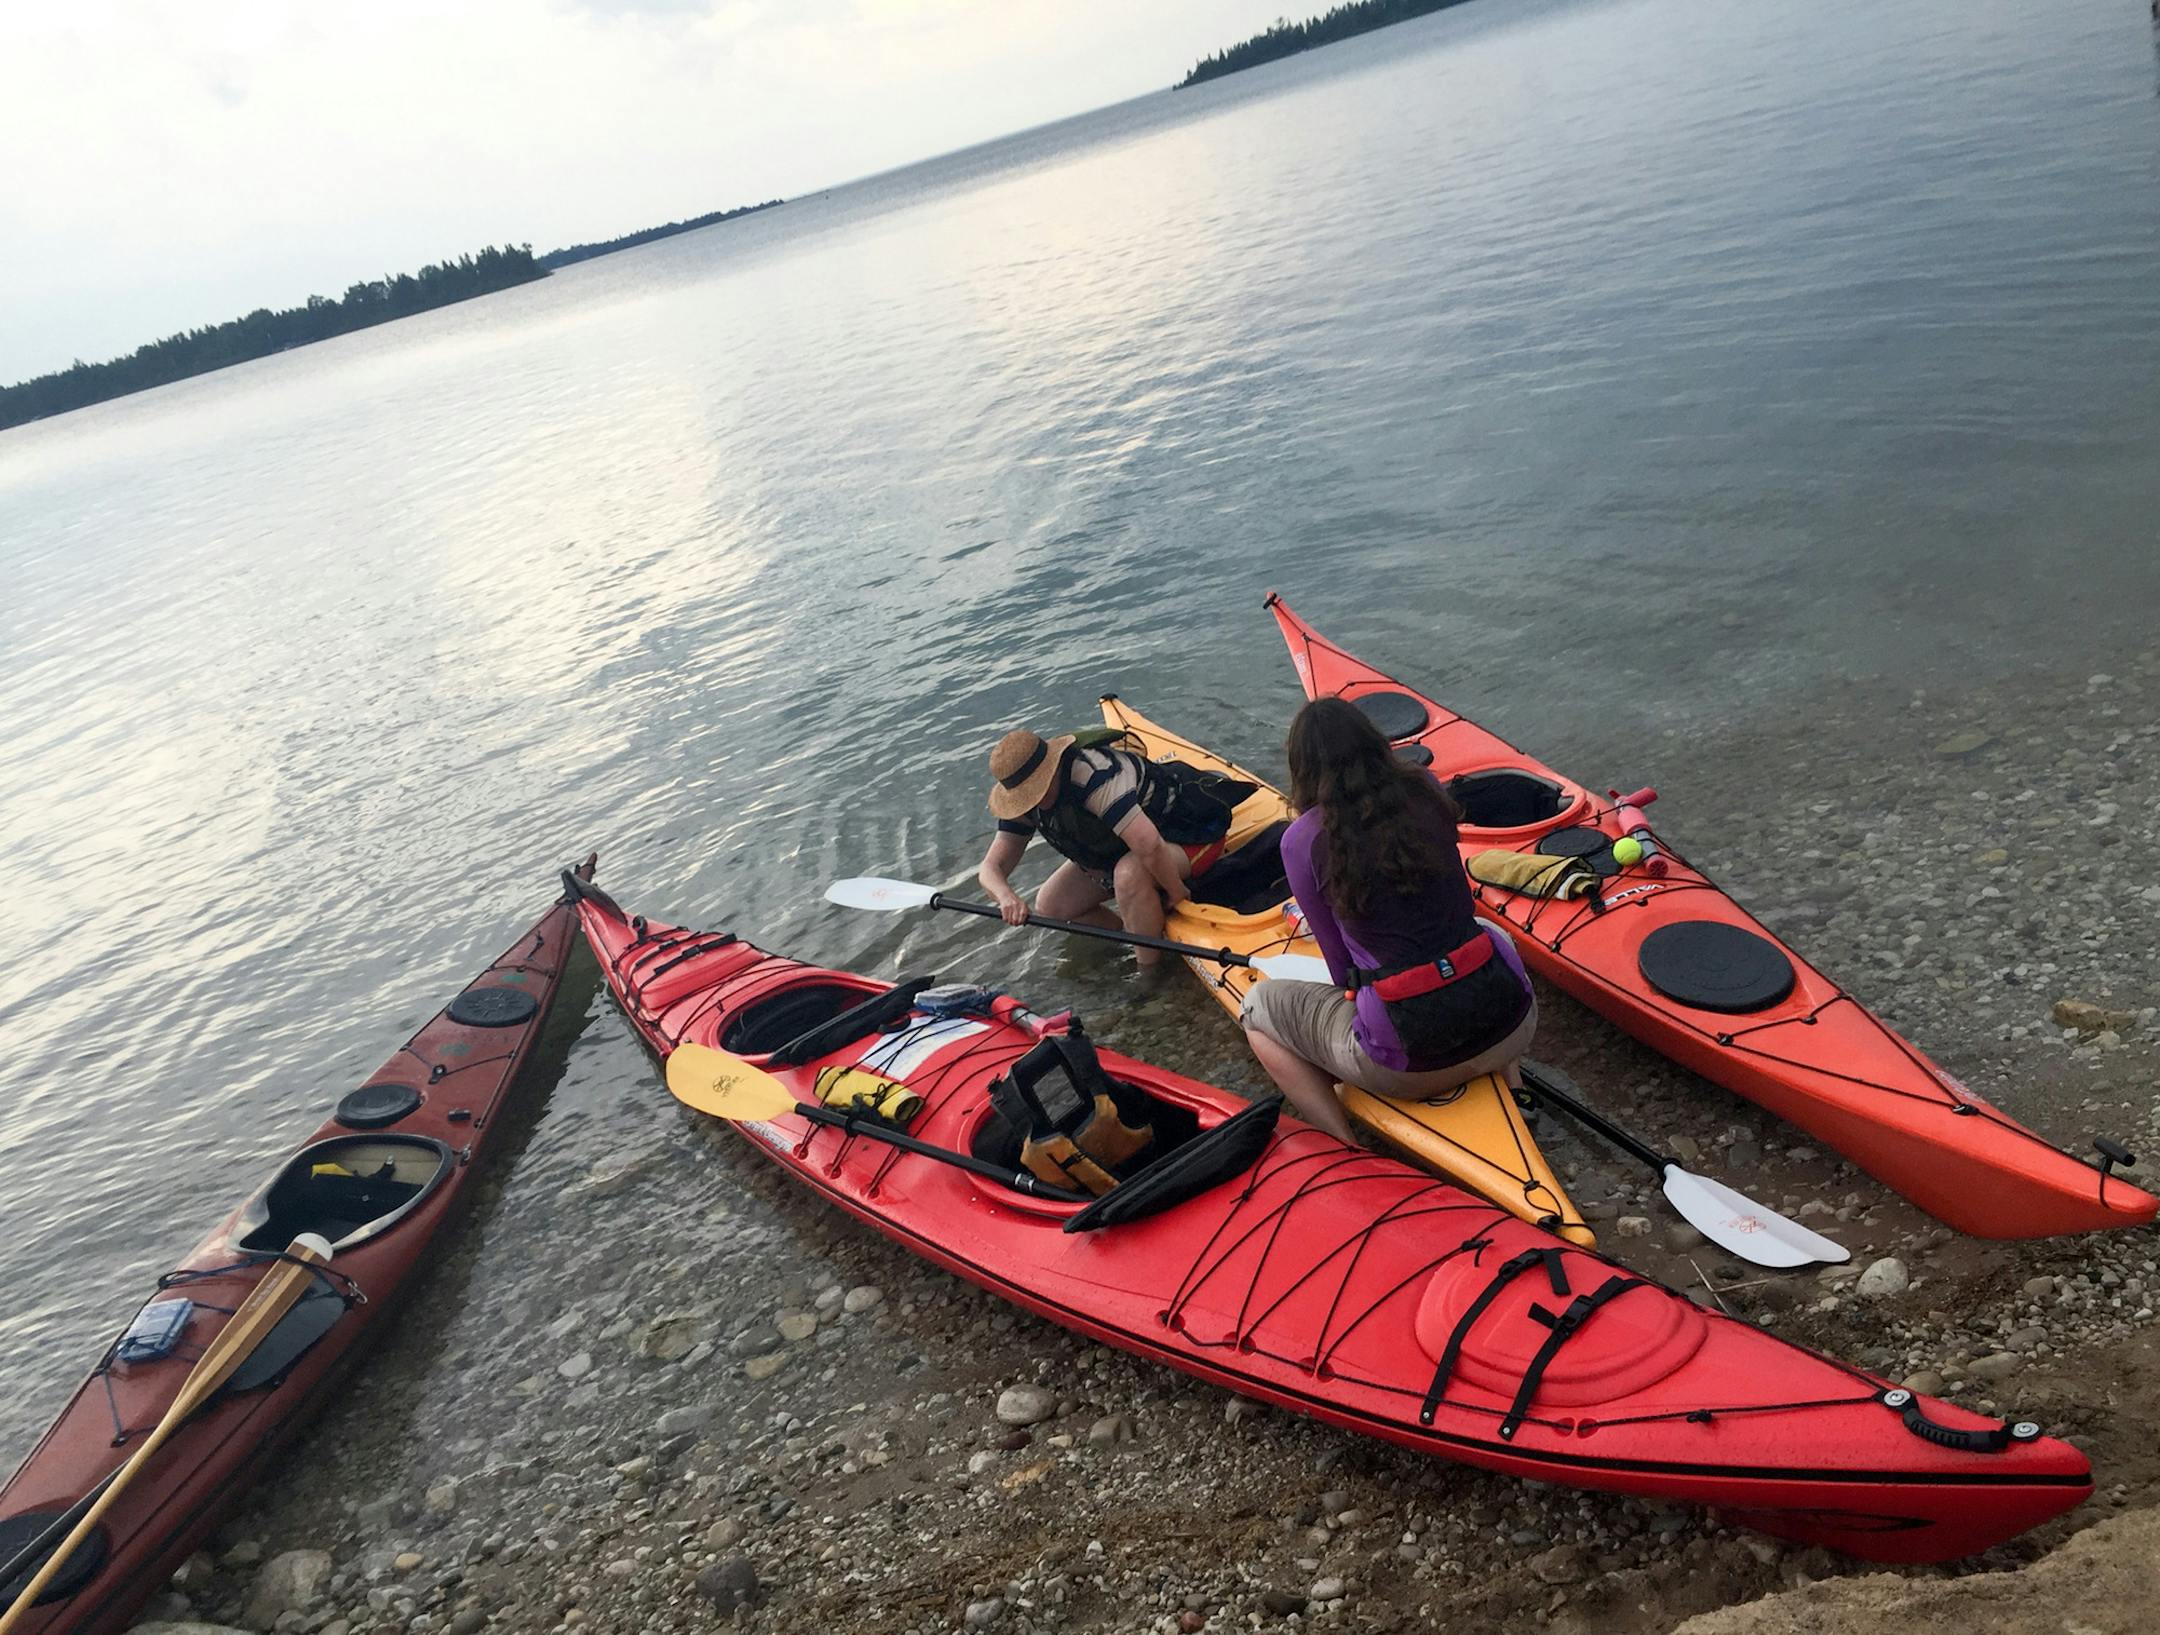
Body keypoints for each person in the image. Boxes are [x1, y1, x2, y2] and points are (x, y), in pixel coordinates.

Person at [1239, 697, 1536, 1143]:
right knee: (1489, 933)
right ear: (1376, 743)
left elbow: (1343, 973)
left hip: (1410, 1063)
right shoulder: (1425, 788)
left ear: (1301, 768)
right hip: (1516, 1024)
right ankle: (1515, 1088)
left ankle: (1347, 1145)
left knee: (1257, 1009)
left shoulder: (1302, 840)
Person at [978, 727, 1248, 967]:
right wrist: (1005, 897)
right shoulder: (1023, 804)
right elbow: (990, 868)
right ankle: (1134, 935)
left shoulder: (1093, 776)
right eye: (1025, 797)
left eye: (1036, 791)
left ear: (1053, 770)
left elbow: (1149, 844)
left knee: (1128, 874)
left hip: (1188, 835)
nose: (1032, 802)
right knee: (1051, 905)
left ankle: (1150, 974)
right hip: (1123, 850)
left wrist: (1177, 893)